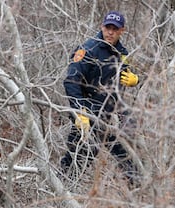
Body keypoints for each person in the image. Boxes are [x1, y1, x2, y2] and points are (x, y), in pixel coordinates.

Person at [61, 11, 139, 183]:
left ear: (122, 31)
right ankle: (61, 190)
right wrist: (79, 112)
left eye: (114, 29)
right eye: (107, 27)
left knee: (128, 156)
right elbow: (70, 82)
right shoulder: (88, 49)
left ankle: (137, 194)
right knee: (79, 158)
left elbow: (126, 72)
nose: (110, 32)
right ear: (101, 27)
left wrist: (136, 79)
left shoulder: (122, 52)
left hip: (113, 113)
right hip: (89, 113)